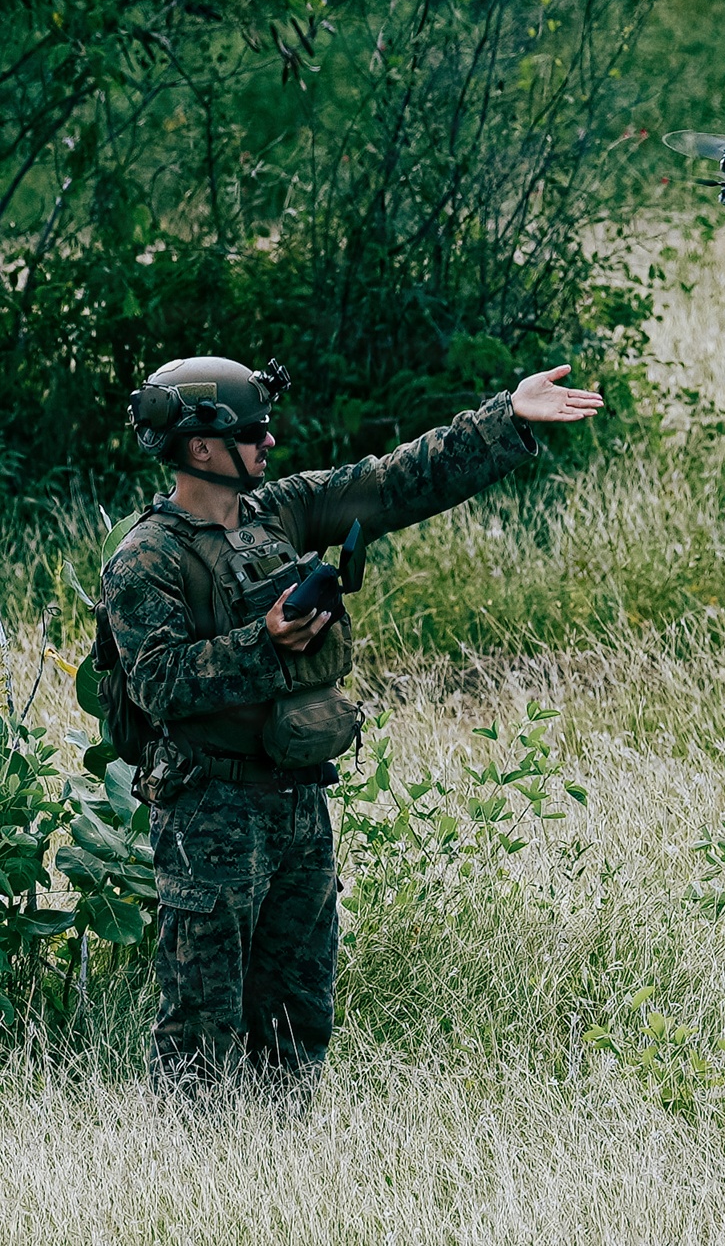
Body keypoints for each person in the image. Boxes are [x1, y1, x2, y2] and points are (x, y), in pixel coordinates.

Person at [103, 354, 602, 1093]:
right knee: (200, 1030)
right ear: (201, 447)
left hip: (298, 800)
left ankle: (283, 1165)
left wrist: (505, 418)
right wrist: (263, 644)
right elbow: (159, 682)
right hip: (210, 808)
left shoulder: (279, 510)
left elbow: (392, 482)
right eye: (254, 431)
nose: (269, 443)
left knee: (295, 1019)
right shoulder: (146, 557)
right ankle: (194, 1183)